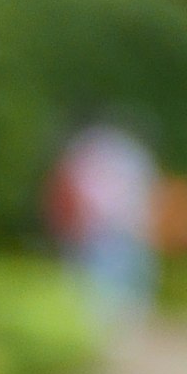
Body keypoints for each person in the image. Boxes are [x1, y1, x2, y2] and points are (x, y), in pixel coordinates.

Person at [47, 111, 160, 333]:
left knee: (104, 280)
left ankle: (103, 329)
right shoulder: (121, 154)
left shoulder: (102, 153)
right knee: (100, 281)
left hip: (111, 231)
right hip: (106, 230)